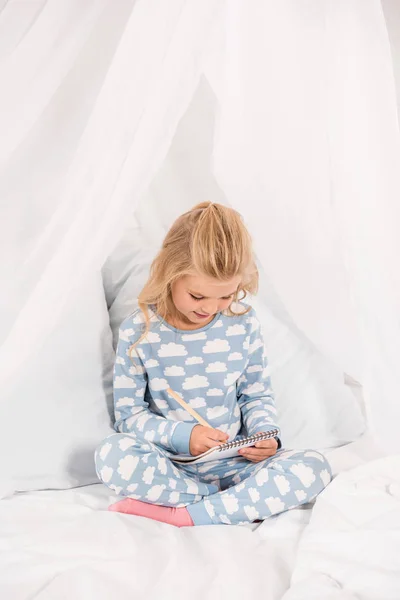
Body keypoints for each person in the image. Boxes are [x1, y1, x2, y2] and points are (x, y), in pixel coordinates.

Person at [95, 202, 332, 527]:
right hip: (172, 464)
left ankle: (187, 515)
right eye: (197, 296)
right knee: (113, 456)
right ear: (170, 273)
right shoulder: (141, 330)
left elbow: (255, 396)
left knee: (314, 467)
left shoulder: (242, 322)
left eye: (226, 296)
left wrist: (266, 435)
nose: (211, 308)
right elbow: (129, 416)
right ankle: (232, 504)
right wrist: (184, 435)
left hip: (238, 463)